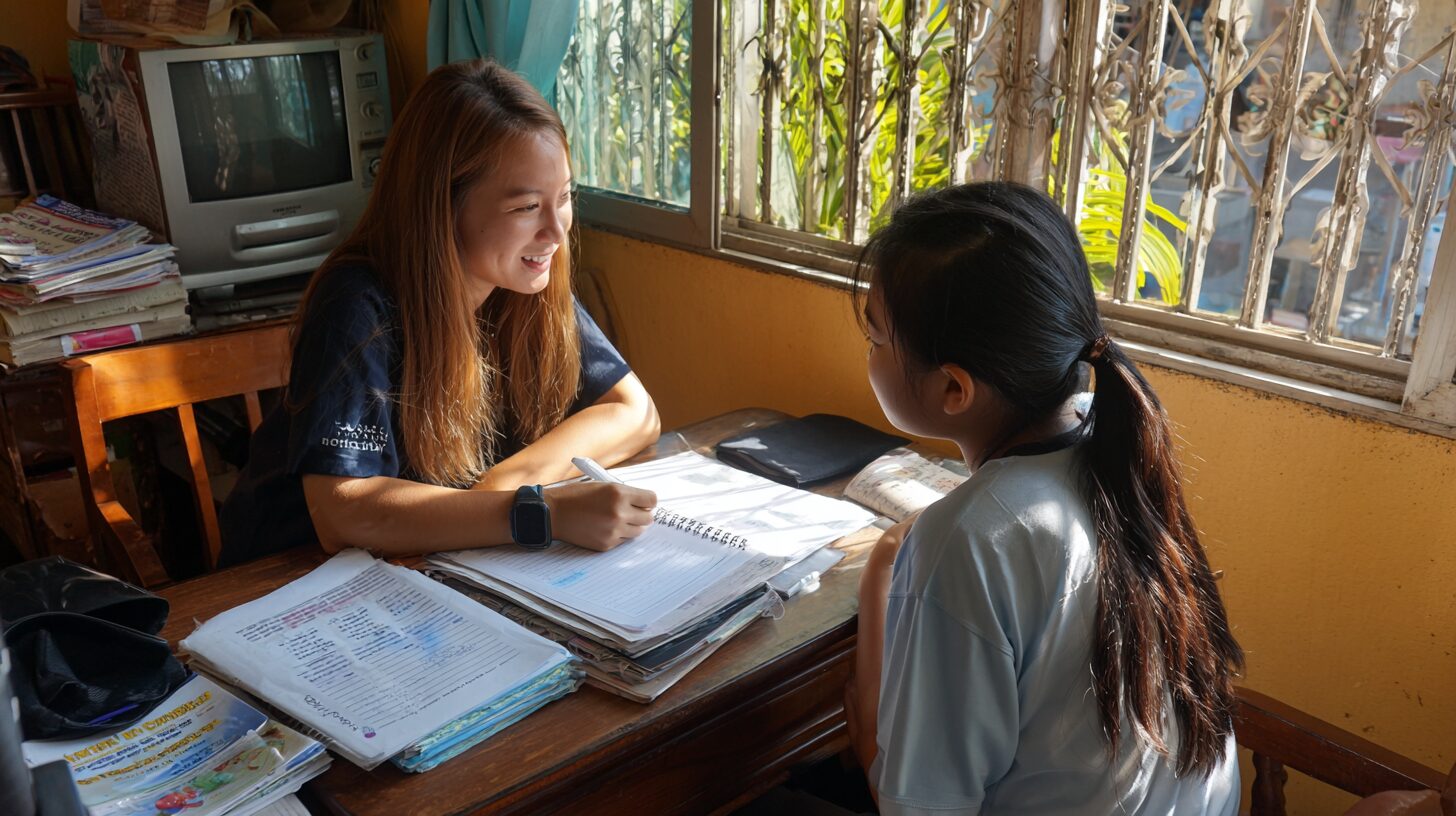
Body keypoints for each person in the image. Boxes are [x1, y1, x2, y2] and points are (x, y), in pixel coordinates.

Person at [843, 182, 1244, 814]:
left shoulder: (968, 540)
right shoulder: (1114, 439)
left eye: (876, 340)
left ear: (953, 389)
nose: (868, 354)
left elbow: (915, 803)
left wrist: (877, 593)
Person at [219, 60, 661, 565]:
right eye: (525, 208)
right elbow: (344, 514)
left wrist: (509, 484)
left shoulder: (522, 282)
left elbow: (636, 412)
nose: (556, 234)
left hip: (422, 566)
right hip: (286, 582)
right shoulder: (357, 303)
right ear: (442, 206)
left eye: (563, 198)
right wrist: (539, 513)